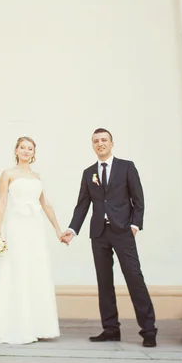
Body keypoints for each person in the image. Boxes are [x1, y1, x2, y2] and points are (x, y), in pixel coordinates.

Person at [61, 128, 157, 347]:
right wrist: (72, 230)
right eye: (96, 141)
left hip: (123, 230)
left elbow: (138, 199)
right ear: (92, 145)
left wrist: (134, 225)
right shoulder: (88, 173)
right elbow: (83, 205)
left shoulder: (127, 167)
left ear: (112, 143)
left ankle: (149, 330)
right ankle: (111, 329)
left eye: (104, 140)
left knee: (134, 277)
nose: (100, 143)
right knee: (104, 282)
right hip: (99, 233)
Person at [0, 136, 64, 344]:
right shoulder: (8, 174)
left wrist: (57, 229)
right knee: (16, 268)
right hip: (17, 225)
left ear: (33, 153)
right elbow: (1, 202)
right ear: (16, 151)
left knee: (36, 268)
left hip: (35, 227)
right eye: (22, 148)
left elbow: (46, 204)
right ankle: (15, 326)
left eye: (30, 148)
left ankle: (37, 325)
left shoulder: (37, 177)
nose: (26, 151)